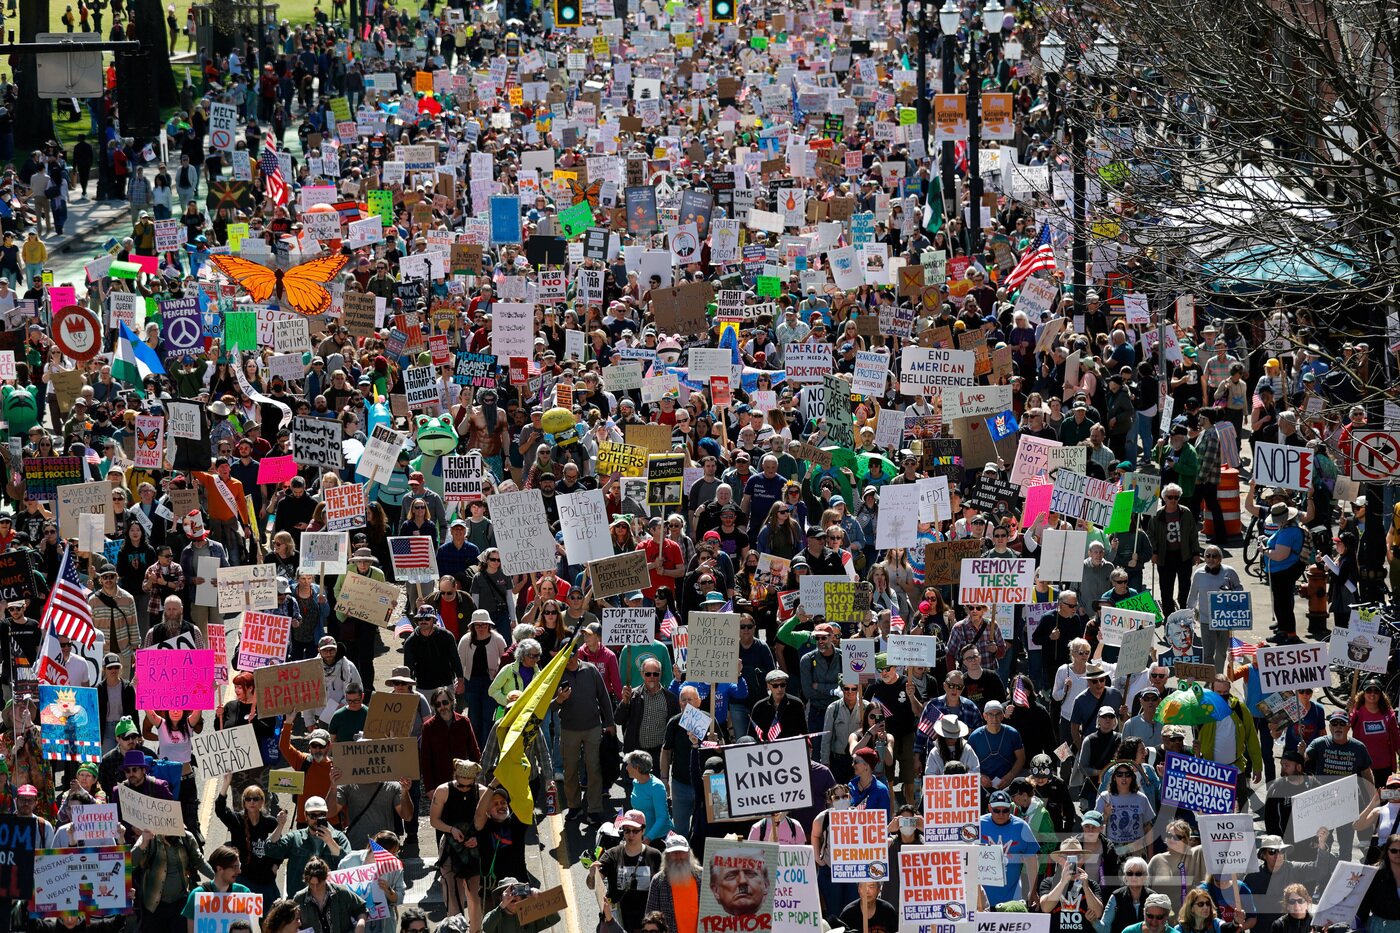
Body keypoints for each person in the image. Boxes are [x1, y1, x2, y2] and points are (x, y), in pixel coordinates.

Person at [588, 808, 663, 932]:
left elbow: (663, 887)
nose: (631, 835)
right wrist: (592, 875)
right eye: (627, 831)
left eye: (635, 831)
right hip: (617, 920)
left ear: (643, 830)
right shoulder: (612, 854)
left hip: (646, 923)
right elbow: (592, 885)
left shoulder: (655, 856)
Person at [290, 856, 368, 933]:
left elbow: (361, 909)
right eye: (311, 884)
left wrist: (360, 924)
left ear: (326, 878)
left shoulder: (341, 893)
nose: (315, 888)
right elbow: (291, 923)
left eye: (319, 884)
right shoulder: (299, 899)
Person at [643, 835, 701, 933]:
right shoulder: (658, 881)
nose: (678, 857)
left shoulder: (703, 877)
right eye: (674, 853)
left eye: (681, 852)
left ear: (688, 853)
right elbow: (651, 918)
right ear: (667, 855)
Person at [482, 878, 563, 933]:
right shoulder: (496, 915)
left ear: (522, 895)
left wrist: (541, 898)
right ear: (500, 898)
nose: (513, 896)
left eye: (516, 891)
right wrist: (502, 905)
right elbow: (486, 927)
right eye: (508, 893)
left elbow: (554, 918)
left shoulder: (530, 911)